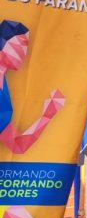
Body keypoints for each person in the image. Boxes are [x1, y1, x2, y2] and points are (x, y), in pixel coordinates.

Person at [0, 19, 65, 153]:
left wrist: (48, 114)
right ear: (5, 43)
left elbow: (18, 145)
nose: (24, 53)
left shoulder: (4, 90)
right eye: (22, 45)